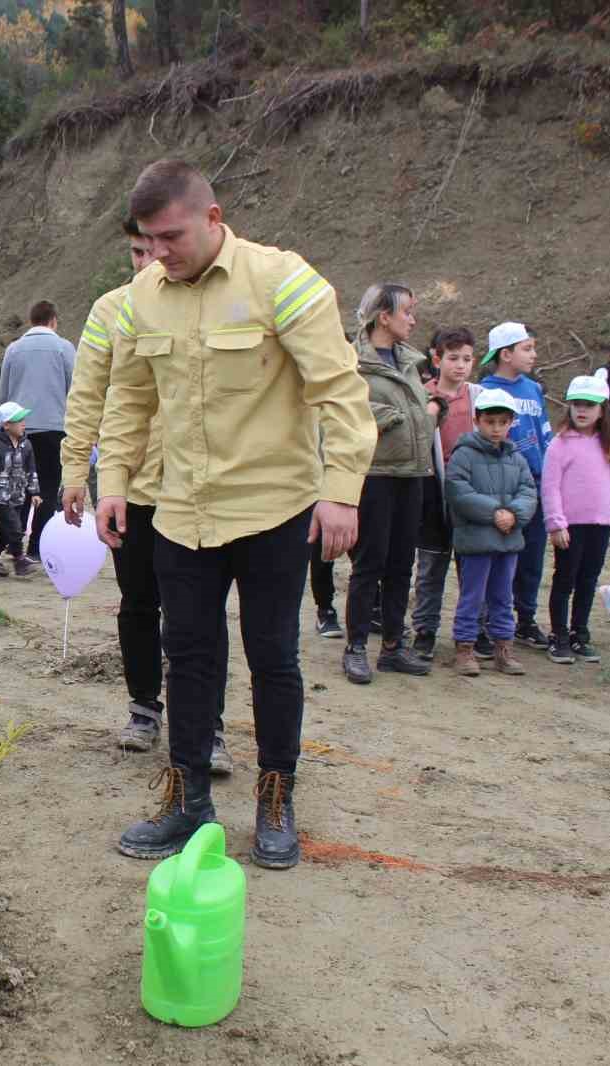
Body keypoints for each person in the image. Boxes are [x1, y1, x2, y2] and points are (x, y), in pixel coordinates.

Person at [95, 160, 374, 870]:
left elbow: (339, 390)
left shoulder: (283, 281)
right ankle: (187, 801)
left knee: (273, 655)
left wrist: (342, 489)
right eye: (147, 241)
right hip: (182, 512)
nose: (159, 253)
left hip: (272, 511)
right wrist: (114, 480)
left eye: (171, 237)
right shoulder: (142, 297)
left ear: (213, 219)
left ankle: (275, 799)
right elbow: (129, 399)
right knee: (186, 655)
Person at [60, 214, 233, 765]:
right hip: (130, 488)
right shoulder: (110, 310)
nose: (147, 262)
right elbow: (88, 392)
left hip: (196, 488)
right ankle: (144, 708)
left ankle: (211, 726)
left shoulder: (209, 301)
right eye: (136, 252)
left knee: (201, 613)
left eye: (154, 249)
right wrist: (73, 471)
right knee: (139, 604)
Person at [341, 284, 436, 685]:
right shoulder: (352, 362)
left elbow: (419, 410)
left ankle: (393, 647)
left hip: (412, 475)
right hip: (375, 476)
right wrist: (397, 416)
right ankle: (356, 647)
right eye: (407, 312)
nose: (412, 320)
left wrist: (428, 413)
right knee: (369, 564)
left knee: (401, 565)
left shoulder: (409, 363)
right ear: (384, 317)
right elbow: (347, 410)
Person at [446, 388, 537, 677]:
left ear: (511, 423)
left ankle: (503, 648)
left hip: (508, 540)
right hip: (475, 541)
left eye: (502, 422)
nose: (496, 428)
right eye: (490, 421)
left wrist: (514, 514)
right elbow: (458, 491)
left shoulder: (517, 459)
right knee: (472, 595)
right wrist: (494, 512)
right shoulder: (463, 455)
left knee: (503, 596)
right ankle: (465, 648)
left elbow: (528, 491)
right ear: (477, 421)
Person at [478, 321, 551, 651]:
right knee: (503, 555)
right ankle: (495, 618)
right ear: (505, 354)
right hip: (501, 484)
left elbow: (545, 434)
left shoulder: (533, 389)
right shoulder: (487, 390)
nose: (534, 354)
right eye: (527, 348)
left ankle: (526, 618)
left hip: (534, 483)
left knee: (533, 554)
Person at [410, 327, 481, 661]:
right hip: (432, 491)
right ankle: (424, 631)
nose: (460, 365)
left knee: (472, 565)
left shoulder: (479, 396)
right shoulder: (421, 395)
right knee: (431, 566)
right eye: (453, 358)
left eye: (467, 359)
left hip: (471, 494)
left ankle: (472, 631)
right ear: (436, 359)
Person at [540, 374, 610, 664]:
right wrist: (556, 523)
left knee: (588, 580)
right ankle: (559, 635)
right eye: (576, 404)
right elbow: (549, 487)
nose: (582, 410)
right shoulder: (559, 445)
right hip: (570, 527)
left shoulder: (606, 444)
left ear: (602, 409)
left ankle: (579, 634)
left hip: (598, 525)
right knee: (565, 580)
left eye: (589, 405)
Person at [0, 301, 75, 560]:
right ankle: (36, 548)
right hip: (54, 428)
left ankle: (14, 542)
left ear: (31, 321)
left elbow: (4, 391)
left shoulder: (14, 349)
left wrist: (1, 426)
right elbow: (75, 390)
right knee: (49, 489)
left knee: (19, 488)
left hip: (20, 429)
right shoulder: (64, 348)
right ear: (53, 320)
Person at [0, 402, 40, 575]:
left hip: (17, 495)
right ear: (6, 425)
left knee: (7, 528)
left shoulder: (26, 445)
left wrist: (34, 492)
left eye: (23, 419)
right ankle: (19, 559)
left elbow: (31, 469)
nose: (23, 423)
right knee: (14, 526)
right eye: (18, 420)